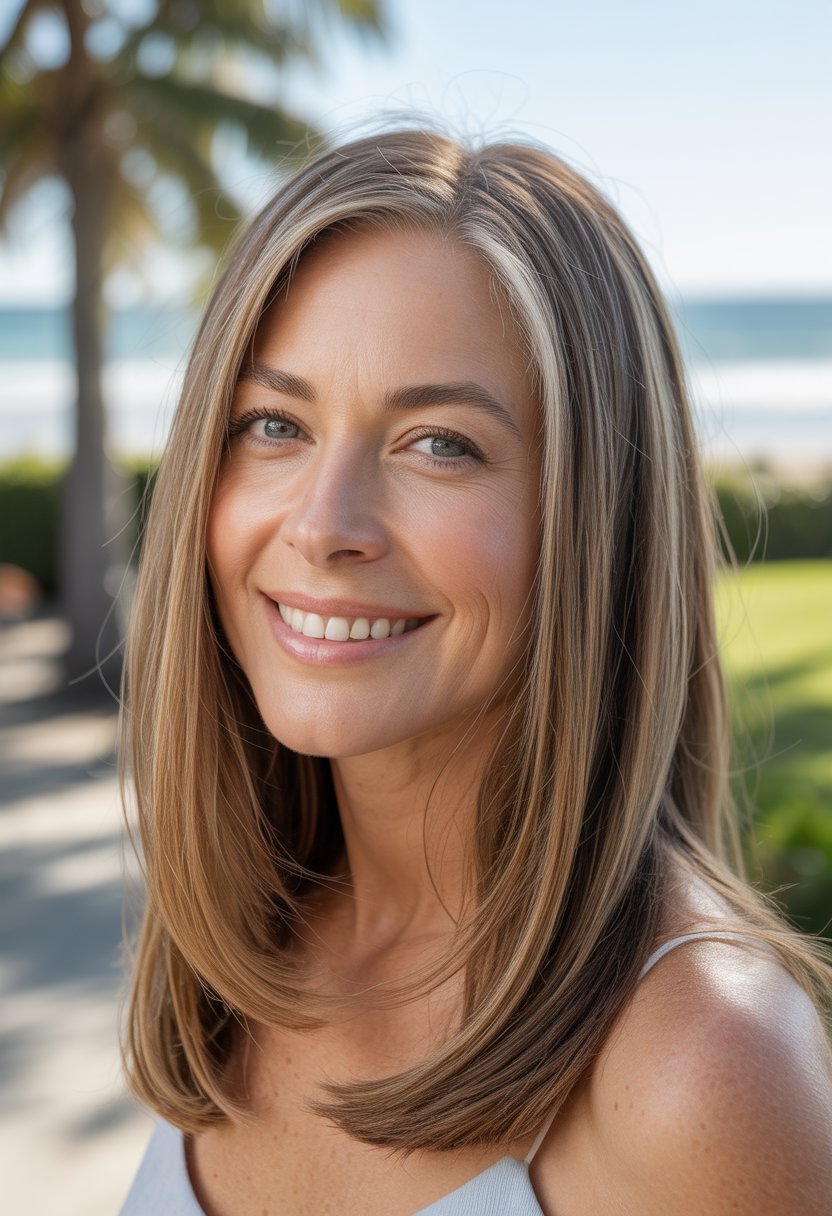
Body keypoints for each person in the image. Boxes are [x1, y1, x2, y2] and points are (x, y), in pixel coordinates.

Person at [118, 129, 832, 1215]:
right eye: (275, 423)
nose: (323, 526)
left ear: (593, 523)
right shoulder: (248, 952)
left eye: (439, 443)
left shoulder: (702, 1072)